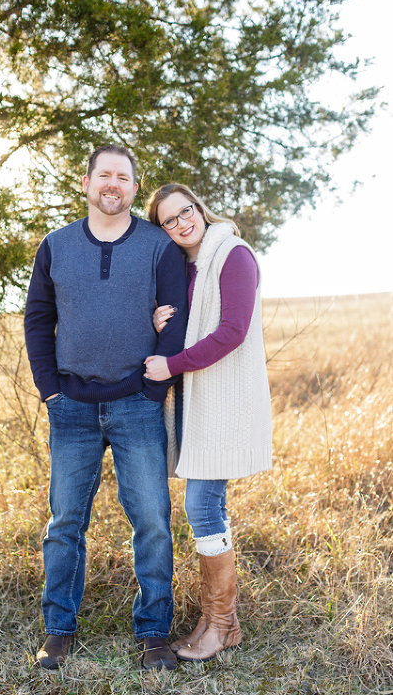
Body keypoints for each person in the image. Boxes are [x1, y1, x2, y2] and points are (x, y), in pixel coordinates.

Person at [24, 145, 189, 671]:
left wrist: (152, 390)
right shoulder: (55, 246)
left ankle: (154, 632)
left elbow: (177, 320)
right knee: (65, 521)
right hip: (70, 405)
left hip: (135, 404)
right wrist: (49, 389)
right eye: (104, 175)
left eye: (123, 176)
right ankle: (57, 630)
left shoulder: (159, 246)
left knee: (152, 520)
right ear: (87, 182)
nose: (112, 183)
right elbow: (37, 318)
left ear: (134, 189)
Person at [143, 183, 272, 662]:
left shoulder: (232, 253)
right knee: (205, 506)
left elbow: (232, 331)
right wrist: (161, 324)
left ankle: (222, 623)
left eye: (186, 211)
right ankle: (218, 621)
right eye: (170, 220)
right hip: (201, 402)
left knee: (202, 504)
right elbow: (191, 325)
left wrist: (172, 364)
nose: (182, 223)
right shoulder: (189, 267)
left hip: (224, 401)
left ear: (200, 208)